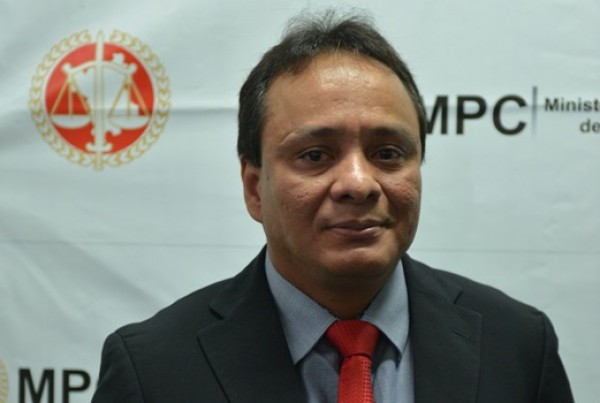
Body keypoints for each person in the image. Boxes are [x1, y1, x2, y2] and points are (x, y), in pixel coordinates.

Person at [91, 11, 574, 403]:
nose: (358, 184)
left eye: (388, 153)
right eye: (315, 156)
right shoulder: (153, 371)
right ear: (255, 188)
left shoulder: (517, 346)